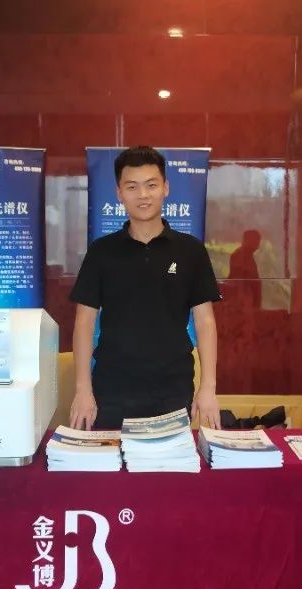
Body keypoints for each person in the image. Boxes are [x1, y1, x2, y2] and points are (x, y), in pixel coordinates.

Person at [68, 146, 222, 431]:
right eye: (132, 187)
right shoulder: (101, 252)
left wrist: (208, 388)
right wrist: (82, 389)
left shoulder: (191, 251)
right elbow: (84, 323)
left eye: (151, 185)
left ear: (166, 188)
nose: (143, 195)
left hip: (172, 388)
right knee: (112, 459)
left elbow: (205, 322)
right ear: (119, 193)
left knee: (169, 459)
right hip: (112, 389)